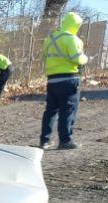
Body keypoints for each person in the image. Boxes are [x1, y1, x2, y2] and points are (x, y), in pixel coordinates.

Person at [39, 11, 88, 150]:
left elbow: (44, 57)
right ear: (76, 25)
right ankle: (65, 140)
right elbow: (77, 58)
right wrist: (86, 58)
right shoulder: (72, 39)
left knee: (50, 111)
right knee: (67, 110)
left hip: (52, 80)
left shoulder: (50, 39)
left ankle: (45, 140)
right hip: (69, 79)